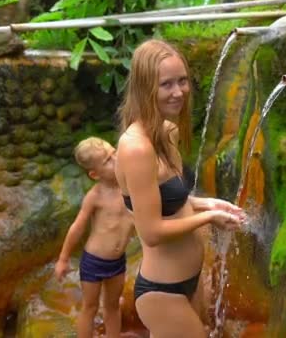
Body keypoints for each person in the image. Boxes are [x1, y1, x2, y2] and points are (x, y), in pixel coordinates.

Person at [114, 39, 244, 337]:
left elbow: (172, 201)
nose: (179, 92)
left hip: (189, 281)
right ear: (146, 88)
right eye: (166, 84)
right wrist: (208, 219)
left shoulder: (167, 132)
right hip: (163, 293)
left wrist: (210, 203)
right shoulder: (136, 149)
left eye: (182, 81)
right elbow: (151, 231)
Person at [54, 137, 134, 338]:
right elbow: (78, 227)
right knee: (89, 307)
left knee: (112, 306)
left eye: (114, 152)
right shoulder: (96, 195)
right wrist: (63, 259)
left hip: (118, 262)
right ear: (94, 174)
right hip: (94, 262)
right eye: (107, 160)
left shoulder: (132, 186)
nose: (116, 158)